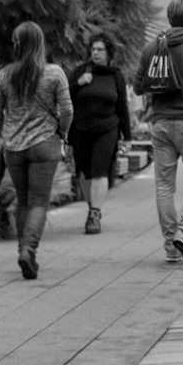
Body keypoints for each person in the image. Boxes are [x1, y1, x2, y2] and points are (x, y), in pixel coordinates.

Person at [0, 22, 73, 279]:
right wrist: (63, 133)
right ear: (40, 44)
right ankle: (28, 250)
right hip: (45, 143)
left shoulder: (4, 75)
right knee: (39, 201)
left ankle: (24, 253)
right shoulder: (55, 73)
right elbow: (67, 110)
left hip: (14, 148)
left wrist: (8, 129)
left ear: (17, 44)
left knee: (23, 200)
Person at [133, 0, 183, 263]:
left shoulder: (153, 46)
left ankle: (170, 245)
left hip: (160, 124)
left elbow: (137, 86)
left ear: (169, 18)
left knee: (165, 186)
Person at [67, 33, 132, 235]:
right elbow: (65, 99)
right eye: (93, 49)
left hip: (107, 129)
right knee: (83, 173)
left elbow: (122, 106)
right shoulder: (80, 72)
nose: (95, 53)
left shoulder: (115, 76)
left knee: (100, 171)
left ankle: (95, 214)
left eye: (100, 49)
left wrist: (127, 136)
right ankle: (91, 207)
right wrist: (79, 84)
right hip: (81, 130)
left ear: (108, 53)